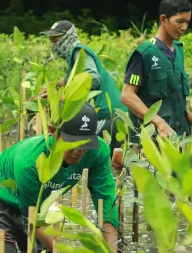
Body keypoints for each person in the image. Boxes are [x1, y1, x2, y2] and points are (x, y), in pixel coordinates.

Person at [0, 103, 119, 253]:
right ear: (53, 131)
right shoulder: (29, 162)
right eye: (72, 143)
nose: (79, 151)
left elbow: (107, 202)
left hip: (38, 202)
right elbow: (33, 220)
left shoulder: (98, 152)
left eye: (85, 144)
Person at [120, 0, 192, 193]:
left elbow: (175, 102)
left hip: (181, 136)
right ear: (163, 20)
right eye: (179, 21)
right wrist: (159, 123)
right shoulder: (144, 53)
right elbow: (127, 96)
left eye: (187, 22)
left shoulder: (178, 51)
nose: (184, 28)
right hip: (155, 140)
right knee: (166, 193)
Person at [39, 20, 128, 153]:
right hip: (109, 117)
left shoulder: (79, 51)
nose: (53, 45)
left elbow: (92, 79)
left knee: (86, 153)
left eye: (55, 40)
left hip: (108, 116)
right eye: (51, 41)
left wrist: (64, 97)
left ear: (67, 37)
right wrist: (52, 85)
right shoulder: (74, 57)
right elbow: (73, 78)